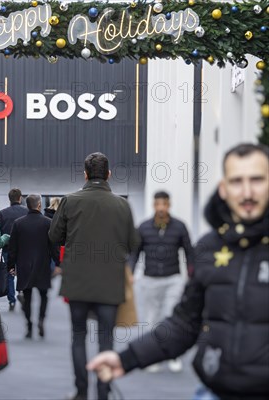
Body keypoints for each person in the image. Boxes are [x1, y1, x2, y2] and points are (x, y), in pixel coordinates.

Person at [87, 143, 269, 400]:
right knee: (155, 316)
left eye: (257, 180)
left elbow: (186, 252)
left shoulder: (180, 227)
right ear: (224, 189)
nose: (247, 192)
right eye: (237, 181)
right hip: (212, 392)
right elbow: (185, 323)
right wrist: (127, 359)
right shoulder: (210, 246)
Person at [49, 152, 139, 400]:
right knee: (106, 340)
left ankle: (80, 392)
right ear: (109, 174)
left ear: (85, 174)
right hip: (110, 282)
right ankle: (103, 391)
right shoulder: (122, 205)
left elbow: (54, 236)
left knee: (78, 336)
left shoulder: (70, 200)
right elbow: (133, 243)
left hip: (77, 280)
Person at [129, 190, 195, 373]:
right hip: (150, 279)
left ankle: (174, 356)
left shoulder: (180, 227)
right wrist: (130, 272)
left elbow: (190, 252)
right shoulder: (143, 227)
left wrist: (192, 274)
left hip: (173, 279)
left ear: (169, 205)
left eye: (164, 205)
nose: (161, 208)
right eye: (158, 205)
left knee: (171, 317)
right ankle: (153, 357)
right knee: (152, 319)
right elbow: (135, 252)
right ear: (153, 205)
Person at [8, 194, 59, 339]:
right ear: (39, 205)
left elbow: (13, 248)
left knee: (27, 296)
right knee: (44, 295)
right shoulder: (48, 223)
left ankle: (29, 324)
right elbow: (54, 246)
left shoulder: (18, 223)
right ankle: (41, 319)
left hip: (24, 265)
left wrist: (11, 266)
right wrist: (58, 263)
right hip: (43, 264)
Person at [0, 188, 28, 311]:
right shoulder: (27, 212)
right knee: (23, 272)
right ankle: (22, 293)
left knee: (10, 274)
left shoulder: (2, 214)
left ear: (9, 198)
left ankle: (11, 300)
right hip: (24, 248)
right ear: (20, 198)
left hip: (8, 248)